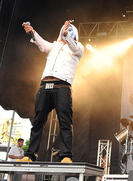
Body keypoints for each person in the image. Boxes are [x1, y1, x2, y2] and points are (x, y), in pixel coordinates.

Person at [19, 20, 84, 163]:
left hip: (62, 87)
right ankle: (31, 154)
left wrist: (67, 35)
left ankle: (66, 155)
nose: (64, 33)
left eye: (67, 31)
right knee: (38, 121)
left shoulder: (78, 47)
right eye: (63, 30)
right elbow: (42, 45)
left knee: (65, 122)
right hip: (45, 86)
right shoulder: (54, 46)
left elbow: (73, 46)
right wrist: (32, 32)